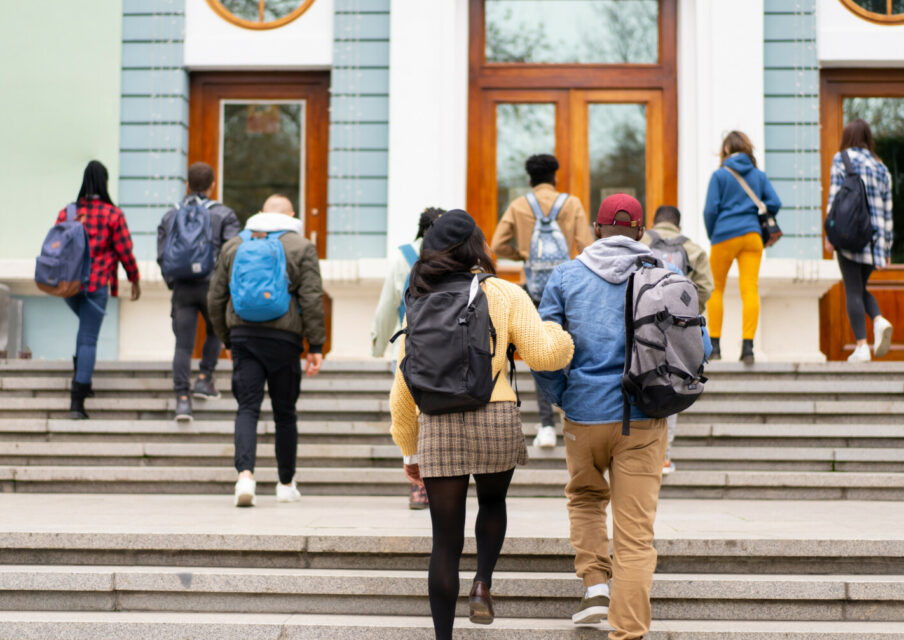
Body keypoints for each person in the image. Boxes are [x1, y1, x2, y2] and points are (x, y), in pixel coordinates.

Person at [390, 210, 573, 640]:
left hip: (438, 424)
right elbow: (545, 355)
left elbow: (402, 387)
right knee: (492, 504)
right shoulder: (504, 293)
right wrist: (562, 335)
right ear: (477, 246)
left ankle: (443, 637)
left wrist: (409, 449)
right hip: (495, 417)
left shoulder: (418, 300)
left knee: (444, 543)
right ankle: (482, 583)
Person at [534, 194, 667, 640]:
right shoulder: (663, 275)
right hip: (644, 417)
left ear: (595, 228)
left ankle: (595, 587)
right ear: (641, 230)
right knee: (634, 533)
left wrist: (560, 400)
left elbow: (544, 351)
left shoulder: (566, 277)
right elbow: (699, 347)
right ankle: (627, 632)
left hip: (584, 415)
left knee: (586, 499)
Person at [208, 194, 325, 507]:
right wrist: (315, 345)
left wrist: (227, 338)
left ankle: (245, 477)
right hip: (284, 339)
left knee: (247, 407)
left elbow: (215, 298)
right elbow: (312, 299)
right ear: (292, 215)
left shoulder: (234, 245)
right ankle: (285, 483)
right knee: (285, 413)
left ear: (260, 213)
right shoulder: (301, 247)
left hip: (244, 336)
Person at [491, 153, 594, 448]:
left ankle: (546, 426)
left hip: (534, 292)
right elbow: (586, 246)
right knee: (573, 350)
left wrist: (524, 254)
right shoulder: (571, 204)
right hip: (568, 290)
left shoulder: (519, 205)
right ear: (555, 177)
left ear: (530, 179)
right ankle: (576, 418)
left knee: (538, 355)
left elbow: (497, 244)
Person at [370, 206, 444, 510]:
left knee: (408, 414)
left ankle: (419, 487)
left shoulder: (404, 256)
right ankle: (433, 480)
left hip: (407, 347)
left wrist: (379, 345)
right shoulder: (457, 256)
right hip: (445, 351)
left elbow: (389, 303)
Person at [157, 162, 240, 422]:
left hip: (183, 287)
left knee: (183, 345)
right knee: (215, 331)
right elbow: (233, 253)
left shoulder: (171, 215)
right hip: (212, 286)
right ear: (213, 185)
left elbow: (162, 254)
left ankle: (183, 400)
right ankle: (204, 379)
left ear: (187, 185)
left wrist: (173, 281)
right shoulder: (224, 214)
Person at [59, 160, 141, 419]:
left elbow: (56, 245)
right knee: (88, 338)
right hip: (96, 285)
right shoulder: (112, 215)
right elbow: (125, 251)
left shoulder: (68, 213)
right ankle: (77, 401)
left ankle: (83, 379)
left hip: (68, 285)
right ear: (104, 183)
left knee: (85, 330)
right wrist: (134, 278)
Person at [640, 205, 714, 474]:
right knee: (671, 387)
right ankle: (663, 456)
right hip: (676, 333)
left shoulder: (641, 242)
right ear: (678, 226)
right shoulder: (693, 249)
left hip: (641, 328)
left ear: (653, 221)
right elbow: (705, 287)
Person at [703, 131, 782, 364]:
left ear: (726, 150)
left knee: (716, 289)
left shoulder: (720, 175)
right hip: (752, 237)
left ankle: (715, 346)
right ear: (748, 149)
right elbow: (775, 202)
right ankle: (748, 347)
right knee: (750, 289)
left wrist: (713, 234)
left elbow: (709, 210)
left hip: (724, 236)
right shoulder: (758, 175)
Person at [824, 118, 894, 363]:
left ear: (848, 137)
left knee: (853, 290)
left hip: (847, 236)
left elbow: (835, 199)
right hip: (872, 241)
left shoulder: (842, 159)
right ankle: (878, 320)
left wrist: (829, 235)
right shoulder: (881, 167)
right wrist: (886, 246)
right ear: (868, 138)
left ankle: (862, 347)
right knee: (860, 288)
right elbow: (887, 210)